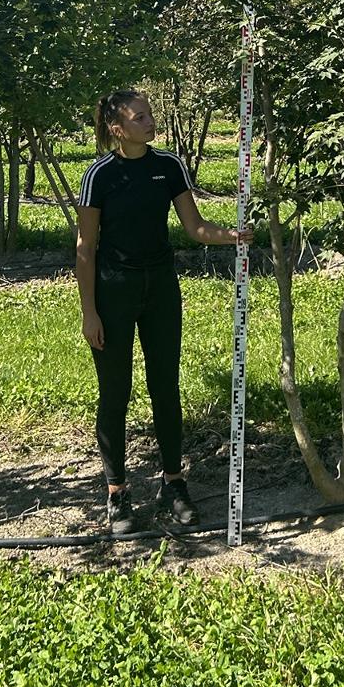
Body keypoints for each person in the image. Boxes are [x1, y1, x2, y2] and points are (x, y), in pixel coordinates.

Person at [77, 87, 253, 538]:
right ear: (117, 129)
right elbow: (86, 248)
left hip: (160, 288)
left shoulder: (168, 166)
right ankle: (117, 492)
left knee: (165, 386)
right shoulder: (99, 175)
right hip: (113, 290)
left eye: (150, 115)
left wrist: (232, 235)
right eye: (139, 118)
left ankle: (174, 484)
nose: (149, 123)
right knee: (115, 391)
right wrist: (89, 312)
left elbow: (193, 227)